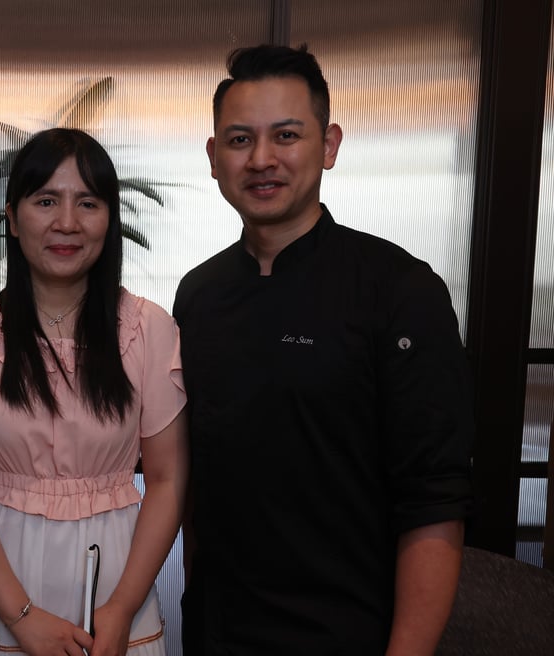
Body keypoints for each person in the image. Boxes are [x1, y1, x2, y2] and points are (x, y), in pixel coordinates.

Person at [173, 44, 474, 655]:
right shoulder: (198, 295)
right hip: (217, 631)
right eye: (239, 140)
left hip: (349, 633)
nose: (262, 159)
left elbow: (435, 501)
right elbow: (195, 481)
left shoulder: (400, 290)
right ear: (213, 157)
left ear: (329, 145)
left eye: (286, 135)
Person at [0, 127, 188, 656]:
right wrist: (20, 618)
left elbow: (166, 479)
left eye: (87, 203)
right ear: (12, 217)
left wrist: (122, 607)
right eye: (46, 201)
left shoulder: (148, 330)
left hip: (118, 593)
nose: (67, 222)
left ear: (109, 219)